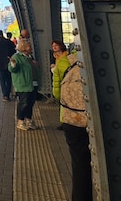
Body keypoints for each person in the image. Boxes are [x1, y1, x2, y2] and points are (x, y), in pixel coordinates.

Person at [58, 51, 92, 201]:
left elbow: (57, 89)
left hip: (71, 120)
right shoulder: (95, 64)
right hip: (90, 120)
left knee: (80, 167)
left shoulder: (68, 63)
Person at [8, 35, 39, 130]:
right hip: (23, 84)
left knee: (30, 103)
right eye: (29, 46)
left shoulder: (29, 57)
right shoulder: (17, 57)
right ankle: (20, 121)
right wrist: (13, 64)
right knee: (23, 103)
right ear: (24, 47)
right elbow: (12, 69)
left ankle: (29, 120)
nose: (31, 47)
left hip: (33, 83)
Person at [0, 30, 15, 101]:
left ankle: (5, 95)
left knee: (2, 80)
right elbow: (14, 51)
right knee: (9, 79)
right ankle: (8, 93)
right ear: (2, 34)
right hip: (8, 63)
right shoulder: (9, 42)